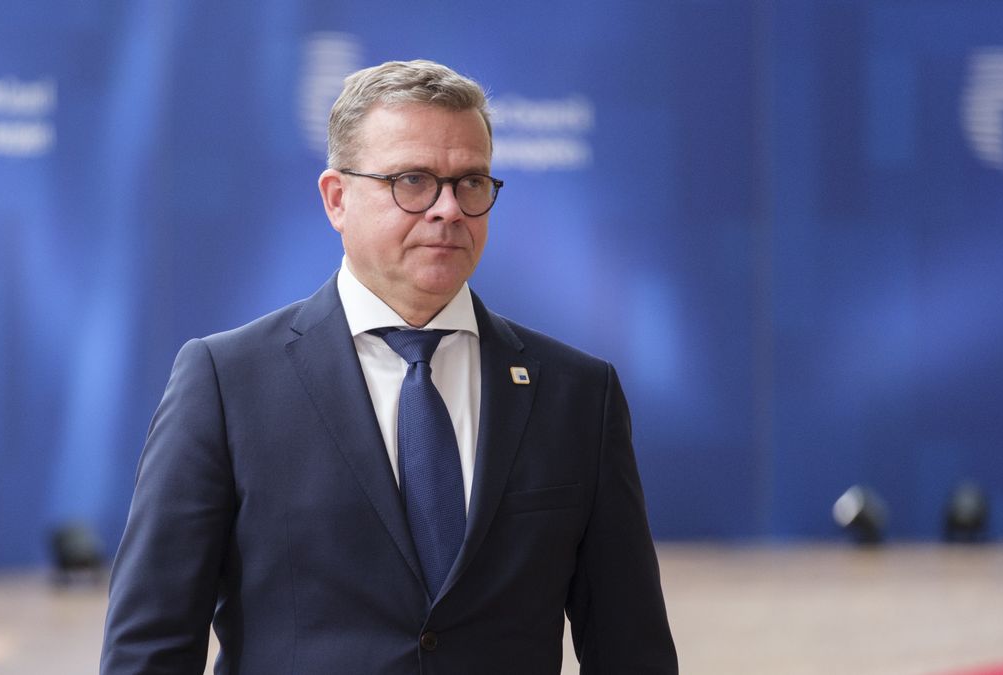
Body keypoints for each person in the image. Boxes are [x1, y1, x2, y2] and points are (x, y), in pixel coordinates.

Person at [101, 59, 678, 674]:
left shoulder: (577, 395)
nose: (449, 210)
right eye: (413, 180)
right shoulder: (226, 382)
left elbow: (629, 646)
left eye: (471, 183)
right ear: (336, 198)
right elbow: (151, 647)